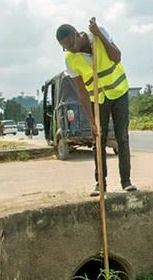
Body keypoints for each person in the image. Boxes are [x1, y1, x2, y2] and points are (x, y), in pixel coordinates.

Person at [56, 17, 137, 196]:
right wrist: (91, 121)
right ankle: (100, 183)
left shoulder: (98, 34)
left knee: (121, 137)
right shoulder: (70, 59)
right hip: (98, 100)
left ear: (77, 35)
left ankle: (126, 182)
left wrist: (99, 34)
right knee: (98, 140)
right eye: (66, 47)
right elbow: (82, 92)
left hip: (119, 92)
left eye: (72, 44)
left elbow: (116, 58)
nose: (71, 49)